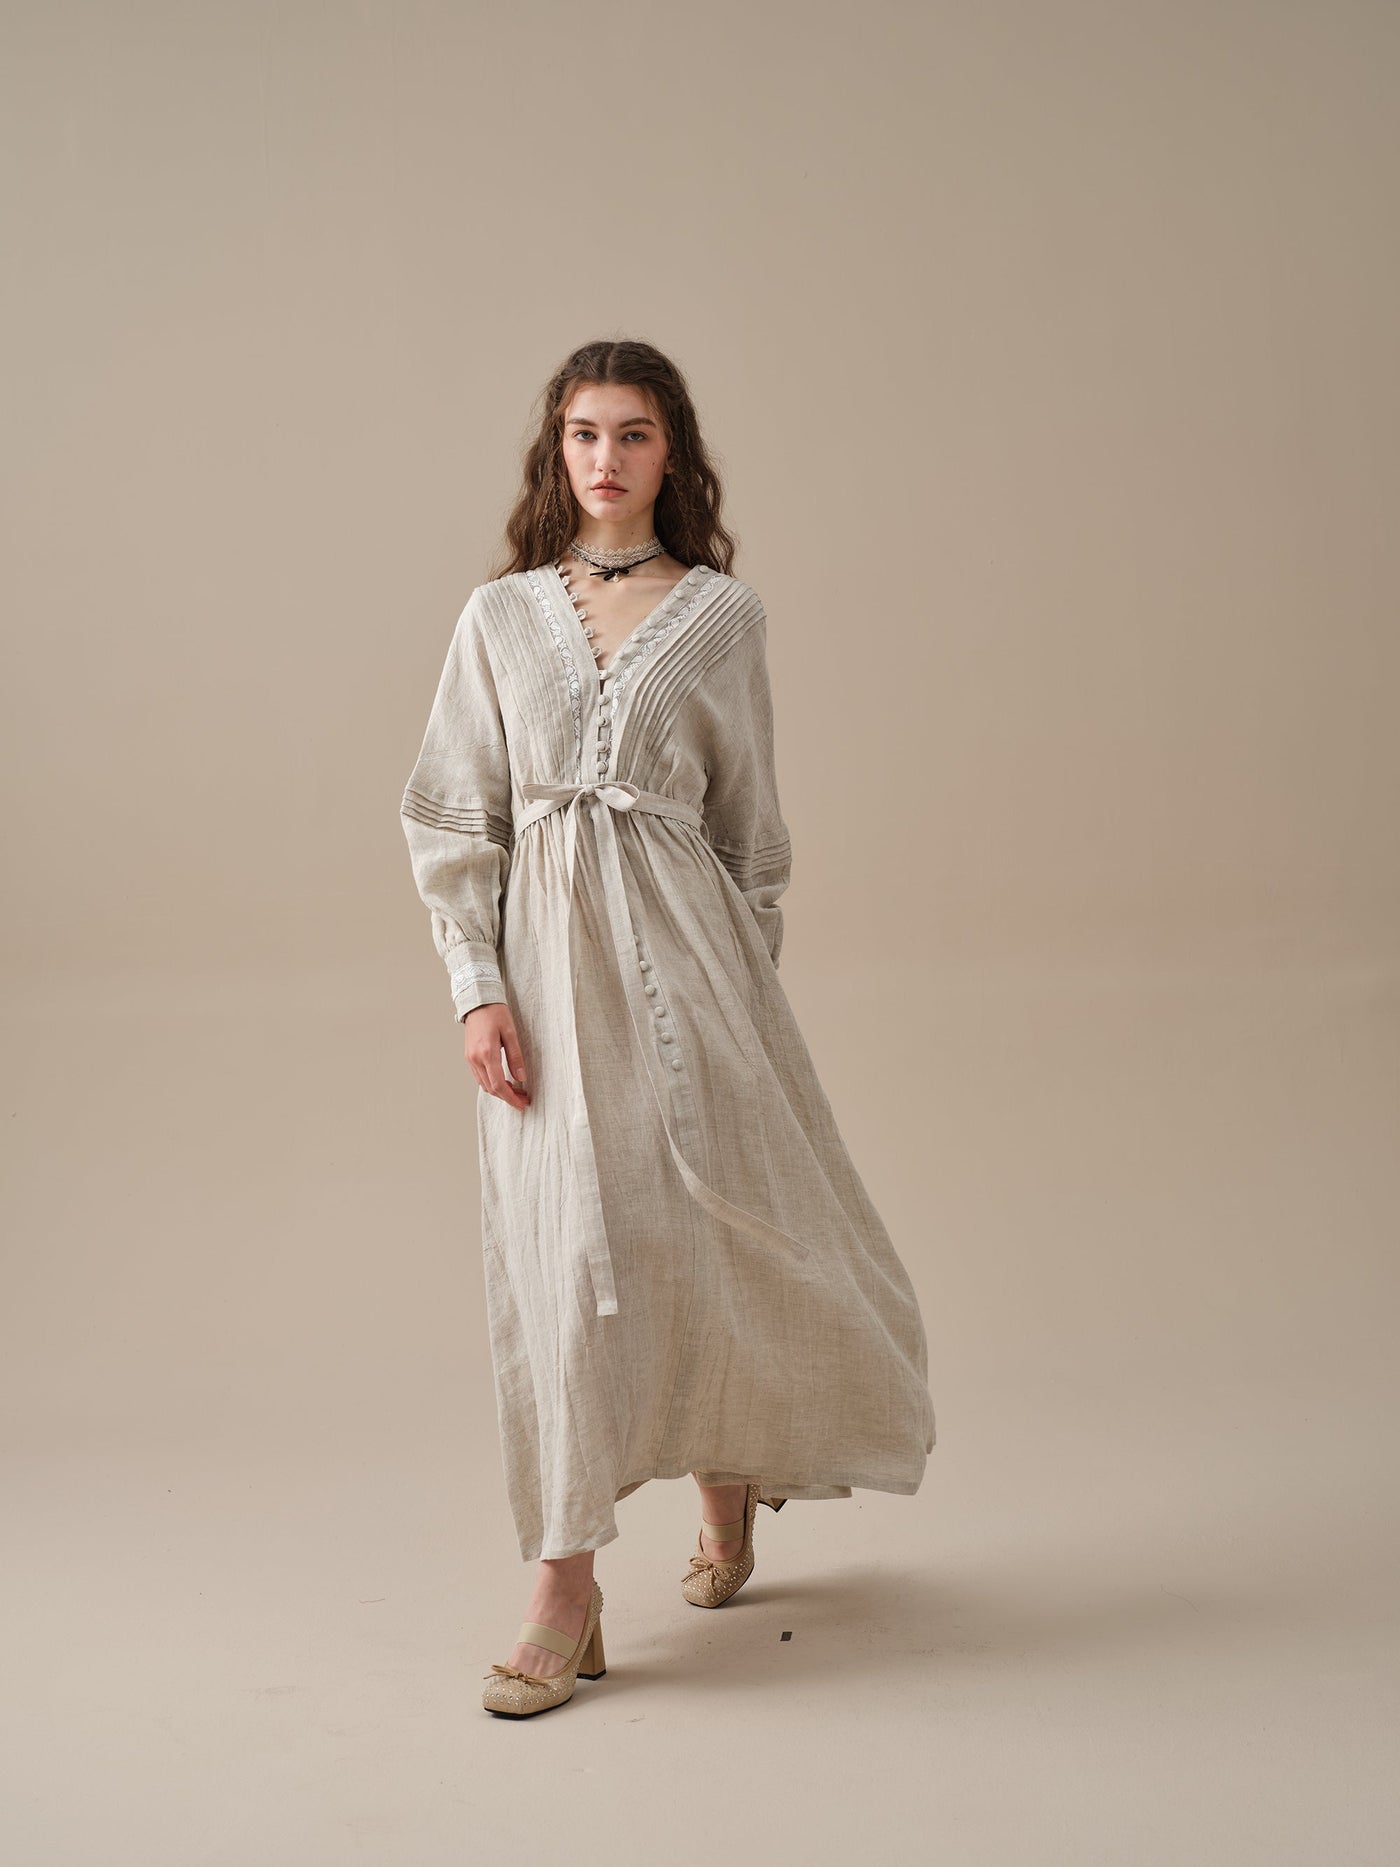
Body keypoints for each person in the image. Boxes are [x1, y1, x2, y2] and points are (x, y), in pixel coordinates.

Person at [400, 338, 936, 1718]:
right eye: (584, 433)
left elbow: (750, 830)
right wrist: (475, 984)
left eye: (632, 434)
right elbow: (454, 811)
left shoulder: (722, 617)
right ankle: (564, 1586)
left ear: (670, 454)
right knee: (569, 1254)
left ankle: (727, 1484)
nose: (606, 458)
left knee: (704, 1226)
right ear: (556, 451)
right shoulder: (498, 616)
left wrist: (747, 991)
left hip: (693, 964)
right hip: (545, 972)